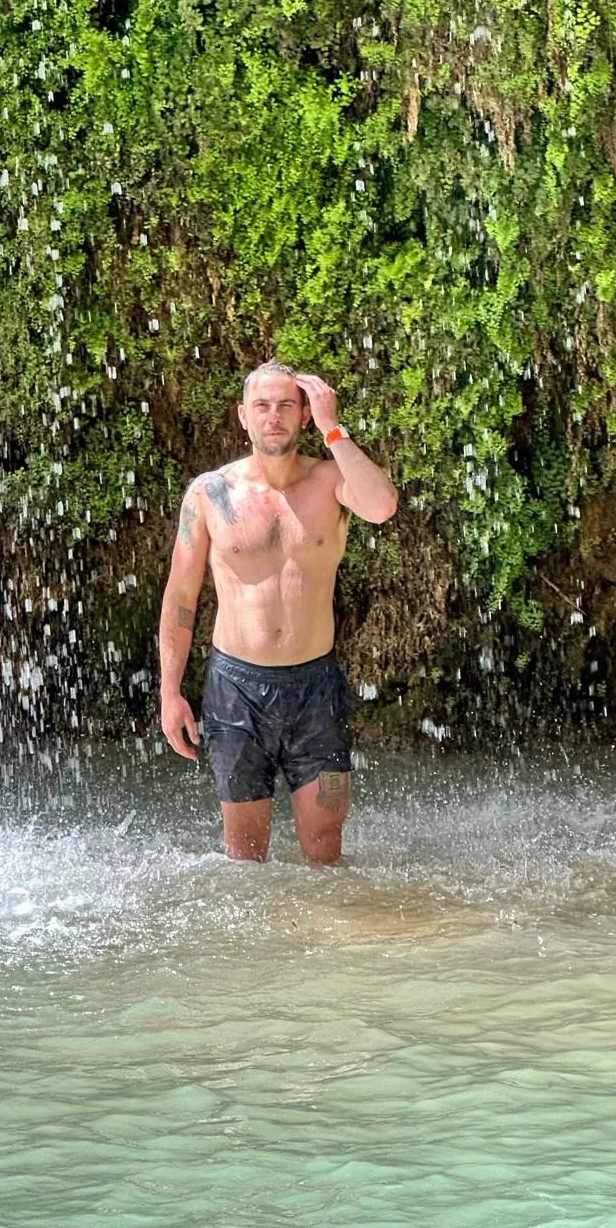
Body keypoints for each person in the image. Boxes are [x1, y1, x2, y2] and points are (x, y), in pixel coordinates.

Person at [157, 361, 399, 863]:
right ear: (243, 416)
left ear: (304, 415)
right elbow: (181, 596)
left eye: (287, 405)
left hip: (316, 691)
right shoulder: (209, 493)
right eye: (262, 406)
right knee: (244, 855)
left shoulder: (331, 481)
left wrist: (334, 429)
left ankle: (329, 940)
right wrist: (170, 691)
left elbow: (382, 506)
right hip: (235, 692)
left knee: (326, 847)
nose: (274, 416)